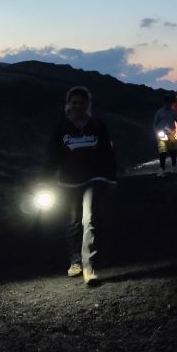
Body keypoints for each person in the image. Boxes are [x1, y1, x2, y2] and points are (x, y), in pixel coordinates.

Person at [45, 86, 118, 286]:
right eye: (74, 103)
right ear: (69, 105)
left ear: (88, 105)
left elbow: (107, 153)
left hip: (95, 179)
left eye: (82, 102)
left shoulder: (98, 125)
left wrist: (112, 178)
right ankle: (75, 260)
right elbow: (52, 155)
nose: (78, 106)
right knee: (73, 221)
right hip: (68, 182)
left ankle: (89, 267)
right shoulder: (61, 128)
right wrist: (47, 179)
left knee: (90, 218)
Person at [153, 94, 177, 176]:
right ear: (164, 103)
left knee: (173, 151)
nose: (167, 104)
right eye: (166, 102)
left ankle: (174, 167)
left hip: (171, 133)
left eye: (169, 102)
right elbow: (155, 123)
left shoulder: (174, 112)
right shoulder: (159, 112)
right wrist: (156, 132)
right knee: (162, 152)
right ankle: (162, 170)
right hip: (161, 134)